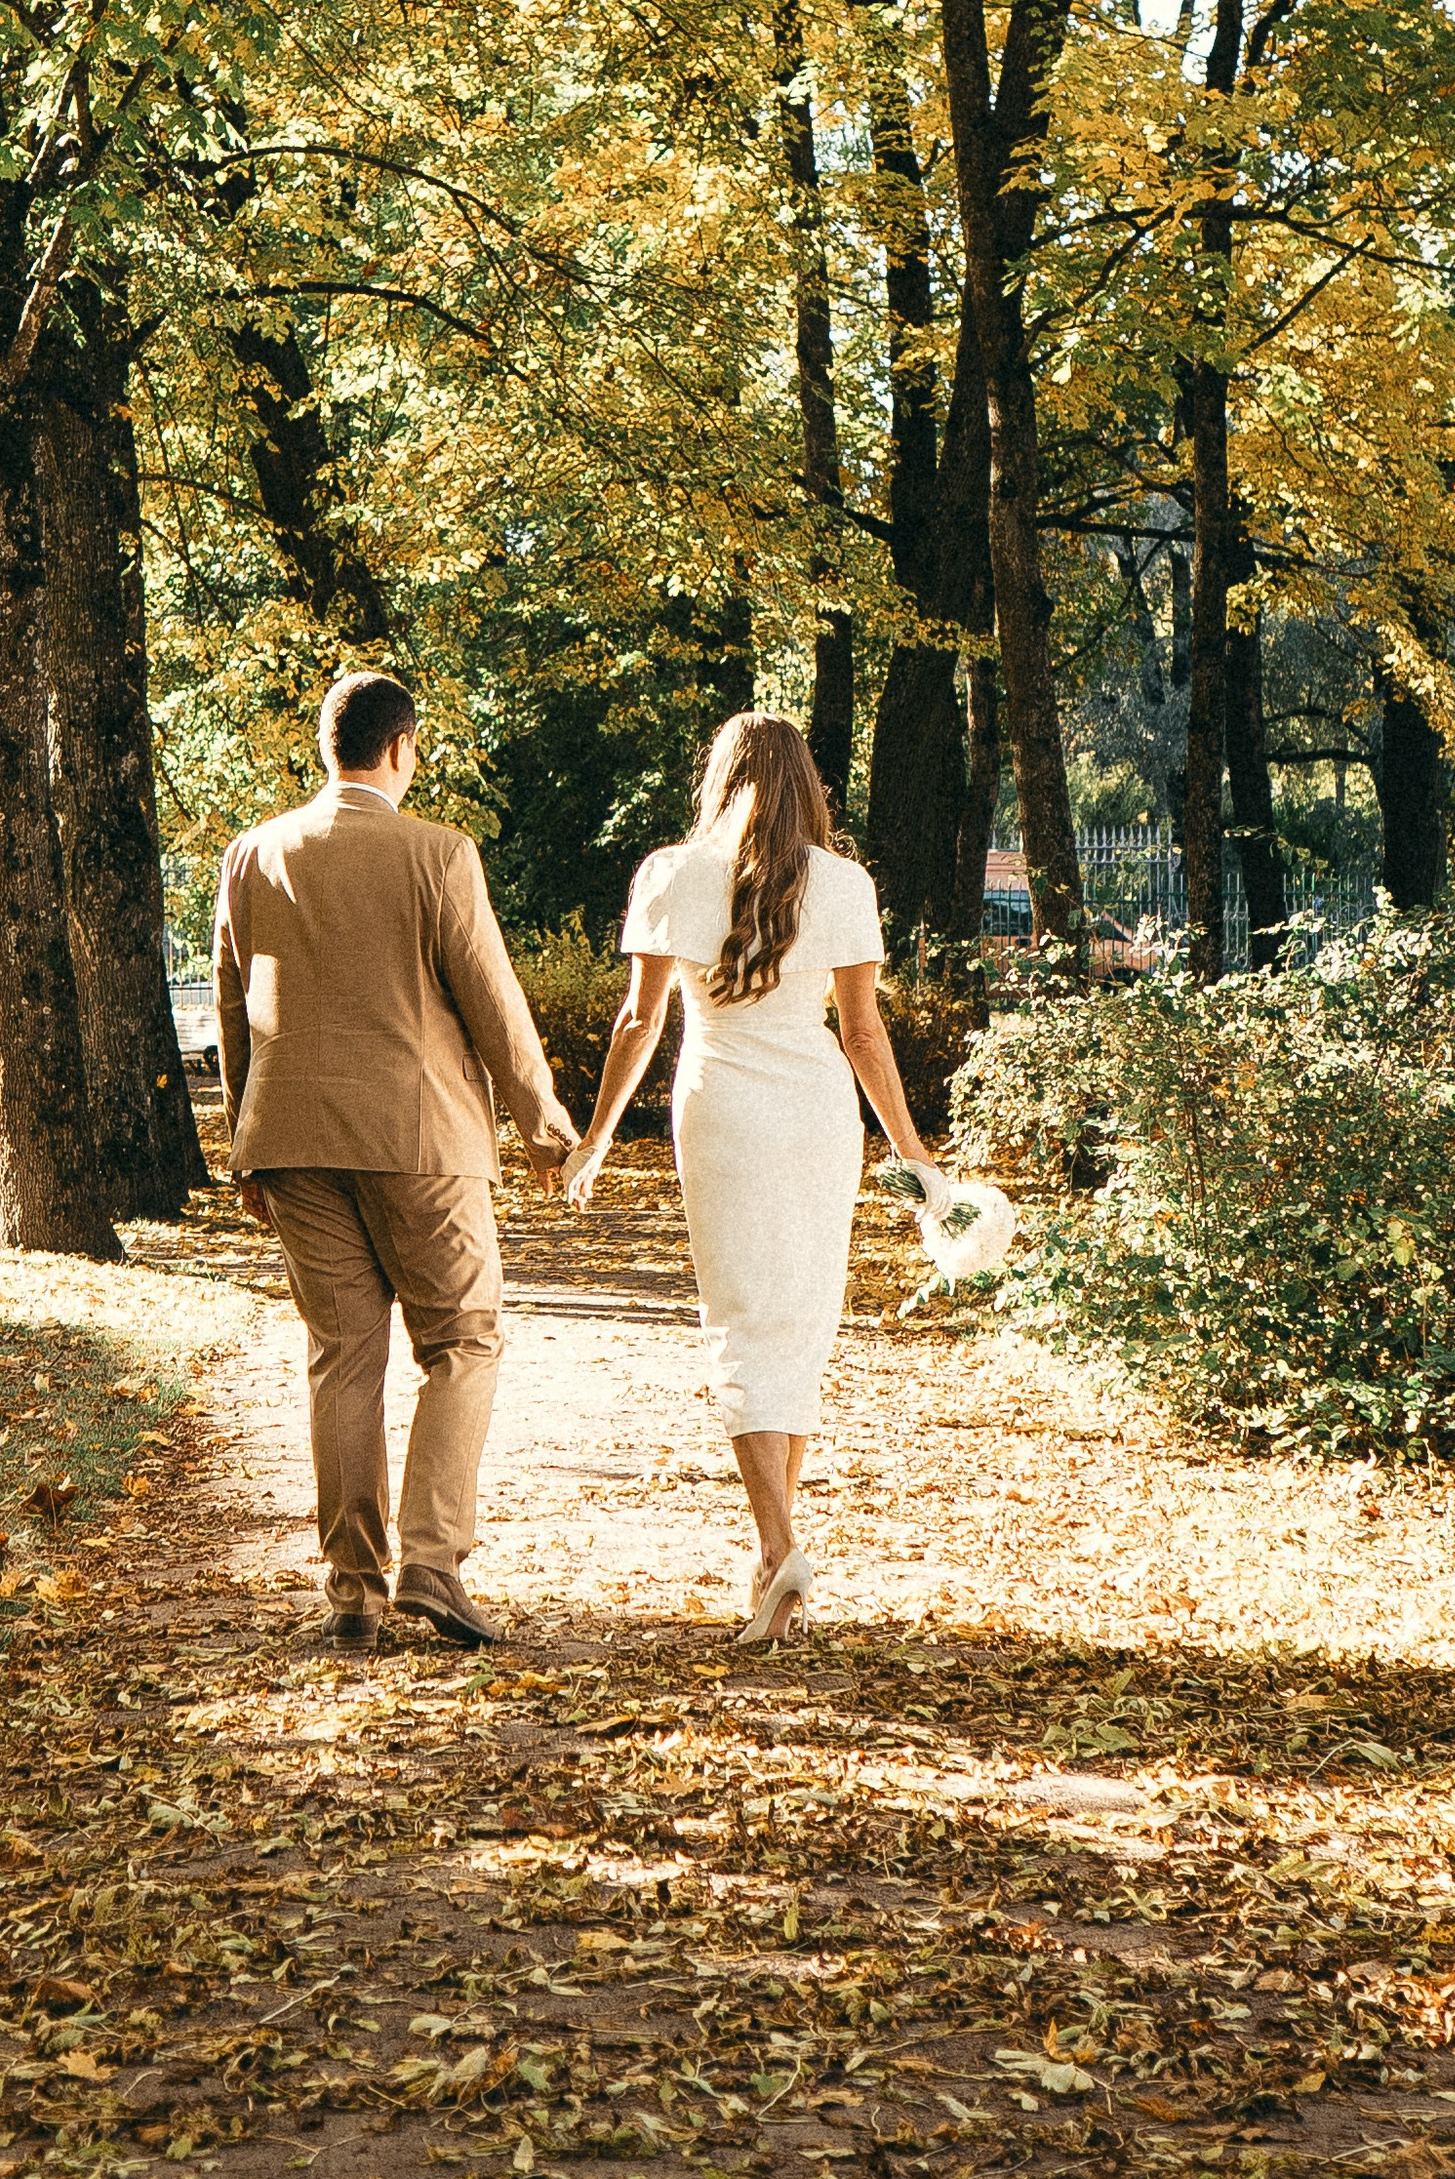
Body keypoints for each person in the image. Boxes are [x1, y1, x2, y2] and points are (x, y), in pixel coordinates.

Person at [214, 669, 577, 1654]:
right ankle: (430, 1562)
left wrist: (245, 1138)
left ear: (329, 749)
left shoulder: (254, 853)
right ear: (402, 749)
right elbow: (492, 1000)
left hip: (290, 1137)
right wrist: (544, 1121)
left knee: (342, 1357)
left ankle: (350, 1586)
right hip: (418, 1139)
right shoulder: (438, 853)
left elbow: (233, 1003)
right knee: (462, 1340)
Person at [562, 712, 932, 1644]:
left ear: (719, 779)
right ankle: (777, 1558)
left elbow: (637, 1026)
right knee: (799, 1322)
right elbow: (862, 1033)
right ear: (809, 782)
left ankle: (778, 1548)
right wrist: (911, 1148)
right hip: (816, 1114)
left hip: (720, 1105)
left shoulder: (670, 874)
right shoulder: (843, 883)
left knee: (738, 1319)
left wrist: (599, 1137)